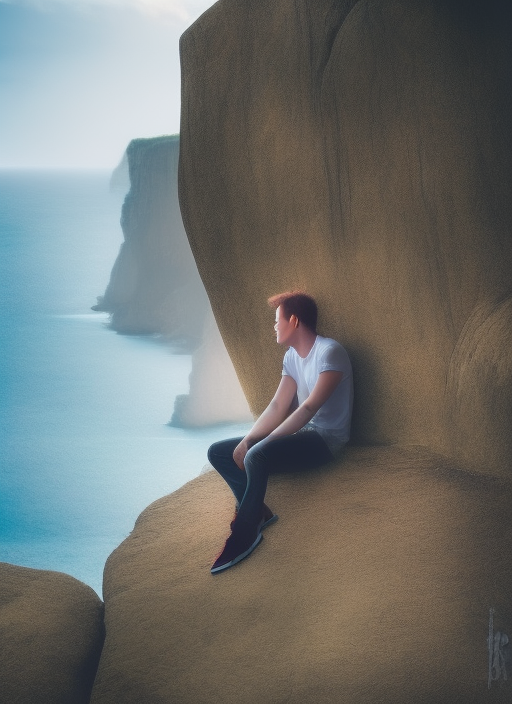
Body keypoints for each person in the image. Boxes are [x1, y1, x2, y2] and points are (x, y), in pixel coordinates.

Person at [207, 291, 353, 574]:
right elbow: (277, 406)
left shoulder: (330, 352)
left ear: (294, 320)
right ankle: (259, 511)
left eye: (277, 320)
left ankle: (246, 535)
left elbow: (309, 408)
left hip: (325, 441)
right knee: (218, 452)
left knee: (256, 457)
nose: (274, 326)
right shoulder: (291, 357)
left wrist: (265, 444)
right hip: (302, 435)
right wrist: (250, 439)